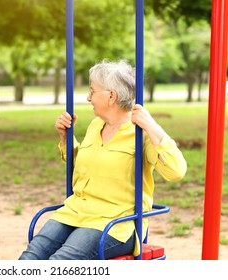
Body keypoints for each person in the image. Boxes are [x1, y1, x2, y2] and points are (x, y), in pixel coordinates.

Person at [19, 59, 187, 260]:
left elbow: (176, 171)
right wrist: (65, 138)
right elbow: (83, 168)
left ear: (111, 96)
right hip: (75, 212)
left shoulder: (141, 133)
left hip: (114, 222)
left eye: (92, 91)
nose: (88, 98)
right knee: (30, 257)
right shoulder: (95, 125)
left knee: (60, 262)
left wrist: (152, 126)